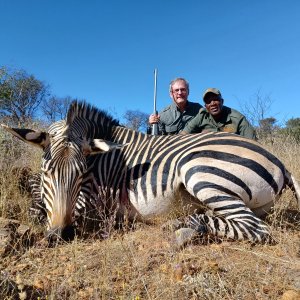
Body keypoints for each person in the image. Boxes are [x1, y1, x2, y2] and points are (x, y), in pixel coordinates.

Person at [181, 88, 256, 139]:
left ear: (222, 101)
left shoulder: (237, 118)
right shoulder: (201, 116)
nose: (212, 103)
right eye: (208, 101)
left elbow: (252, 142)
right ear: (205, 106)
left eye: (216, 99)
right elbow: (183, 135)